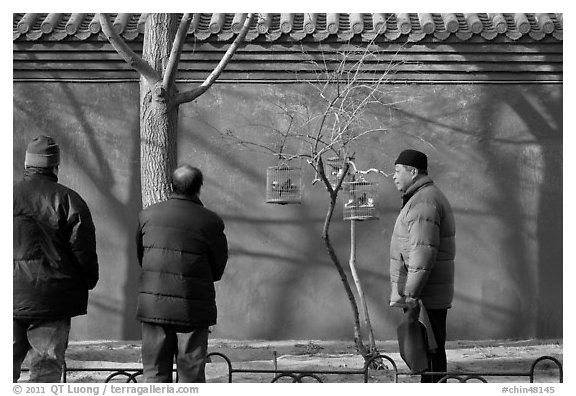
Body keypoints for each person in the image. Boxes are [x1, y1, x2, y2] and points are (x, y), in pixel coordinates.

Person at [13, 135, 99, 382]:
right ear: (55, 166)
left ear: (28, 164)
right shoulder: (69, 200)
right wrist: (87, 281)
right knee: (46, 369)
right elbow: (83, 250)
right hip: (53, 298)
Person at [136, 164, 228, 383]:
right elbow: (218, 266)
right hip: (193, 305)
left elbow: (143, 257)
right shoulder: (211, 221)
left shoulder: (147, 216)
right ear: (199, 187)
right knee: (192, 374)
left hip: (154, 304)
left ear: (171, 185)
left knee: (154, 373)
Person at [389, 149, 455, 383]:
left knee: (431, 355)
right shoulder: (421, 198)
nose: (394, 176)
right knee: (429, 354)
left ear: (413, 171)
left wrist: (411, 294)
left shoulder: (423, 201)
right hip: (425, 294)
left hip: (424, 296)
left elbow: (422, 252)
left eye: (397, 171)